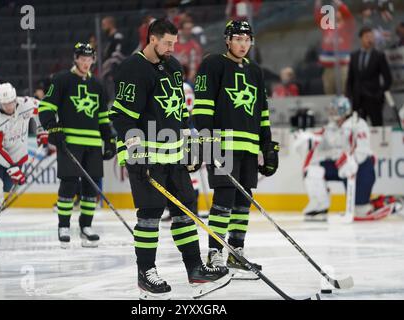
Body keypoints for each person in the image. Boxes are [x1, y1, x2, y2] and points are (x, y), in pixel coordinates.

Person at [109, 19, 230, 300]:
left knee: (186, 211)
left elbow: (179, 113)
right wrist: (132, 148)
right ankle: (146, 272)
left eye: (174, 43)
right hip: (146, 158)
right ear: (152, 39)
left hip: (174, 156)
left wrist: (189, 147)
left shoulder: (174, 67)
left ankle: (195, 268)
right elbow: (121, 115)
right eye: (167, 43)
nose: (172, 48)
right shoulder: (131, 69)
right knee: (150, 214)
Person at [192, 20, 279, 279]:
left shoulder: (256, 72)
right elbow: (203, 106)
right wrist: (207, 141)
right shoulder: (213, 64)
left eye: (247, 39)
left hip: (249, 148)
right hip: (223, 145)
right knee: (223, 201)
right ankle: (215, 251)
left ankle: (236, 251)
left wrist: (268, 146)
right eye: (238, 38)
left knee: (243, 202)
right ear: (227, 40)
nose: (243, 44)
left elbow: (262, 113)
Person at [38, 43, 116, 248]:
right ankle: (63, 226)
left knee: (91, 186)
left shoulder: (98, 85)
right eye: (82, 58)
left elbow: (102, 117)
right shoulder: (62, 79)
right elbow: (45, 107)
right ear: (75, 58)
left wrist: (108, 139)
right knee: (69, 183)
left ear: (93, 60)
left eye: (89, 58)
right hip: (70, 143)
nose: (85, 62)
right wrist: (52, 127)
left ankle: (86, 226)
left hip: (92, 143)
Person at [297, 97, 393, 222]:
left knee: (360, 210)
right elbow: (321, 140)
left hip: (362, 168)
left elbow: (362, 151)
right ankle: (320, 207)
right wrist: (308, 139)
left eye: (334, 109)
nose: (331, 112)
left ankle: (381, 203)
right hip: (340, 165)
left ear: (343, 110)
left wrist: (351, 160)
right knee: (313, 170)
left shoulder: (358, 124)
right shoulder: (332, 126)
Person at [0, 83, 48, 239]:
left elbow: (44, 109)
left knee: (4, 190)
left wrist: (42, 129)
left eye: (12, 102)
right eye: (5, 104)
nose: (10, 106)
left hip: (17, 157)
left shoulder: (25, 104)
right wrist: (11, 167)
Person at [346, 26, 392, 126]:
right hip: (358, 99)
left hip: (374, 98)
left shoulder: (379, 55)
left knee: (377, 126)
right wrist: (349, 96)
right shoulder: (354, 56)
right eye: (367, 37)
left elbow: (388, 78)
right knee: (358, 127)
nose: (370, 39)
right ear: (361, 38)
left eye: (371, 37)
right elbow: (350, 78)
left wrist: (380, 93)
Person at [314, 0, 355, 95]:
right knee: (329, 94)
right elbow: (318, 18)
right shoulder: (327, 26)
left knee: (345, 93)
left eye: (338, 11)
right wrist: (318, 3)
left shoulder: (347, 27)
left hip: (342, 67)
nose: (336, 13)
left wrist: (339, 4)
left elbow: (348, 16)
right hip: (328, 68)